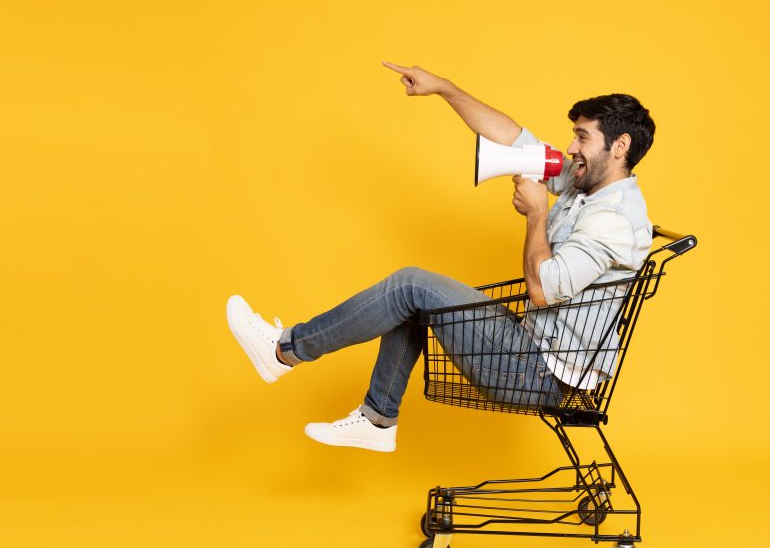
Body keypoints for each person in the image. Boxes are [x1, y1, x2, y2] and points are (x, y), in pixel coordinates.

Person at [226, 62, 655, 452]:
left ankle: (284, 351)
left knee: (411, 286)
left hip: (538, 375)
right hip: (530, 352)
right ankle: (377, 420)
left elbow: (542, 290)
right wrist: (445, 89)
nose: (571, 147)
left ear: (619, 146)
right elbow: (514, 140)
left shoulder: (612, 219)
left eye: (583, 137)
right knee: (412, 301)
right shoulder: (587, 183)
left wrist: (537, 214)